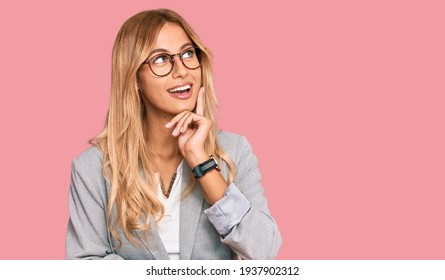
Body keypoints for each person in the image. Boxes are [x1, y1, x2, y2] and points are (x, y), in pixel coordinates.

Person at [66, 8, 282, 260]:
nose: (182, 70)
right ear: (133, 77)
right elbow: (83, 264)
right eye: (160, 59)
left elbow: (264, 251)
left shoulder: (234, 151)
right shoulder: (92, 167)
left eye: (188, 54)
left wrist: (201, 162)